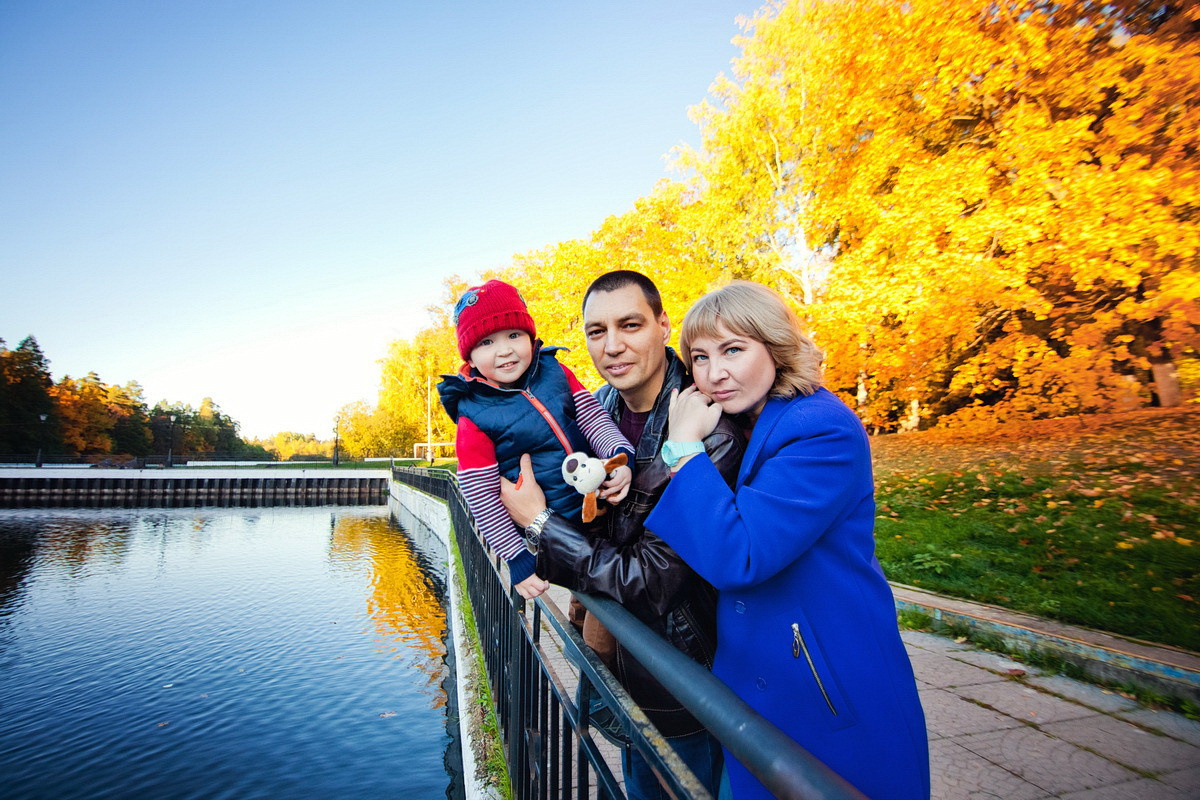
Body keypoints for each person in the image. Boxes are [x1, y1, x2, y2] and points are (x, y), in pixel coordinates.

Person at [644, 280, 930, 799]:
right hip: (763, 686)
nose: (715, 372)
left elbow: (741, 554)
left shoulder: (820, 429)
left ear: (775, 347)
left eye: (734, 349)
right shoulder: (749, 422)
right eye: (701, 357)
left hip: (825, 688)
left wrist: (681, 447)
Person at [500, 270, 745, 800]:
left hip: (681, 669)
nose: (612, 346)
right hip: (617, 654)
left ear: (662, 325)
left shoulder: (706, 424)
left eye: (629, 325)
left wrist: (539, 524)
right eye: (595, 331)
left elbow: (654, 579)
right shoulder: (594, 413)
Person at [438, 279, 634, 600]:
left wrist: (619, 455)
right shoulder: (473, 414)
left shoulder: (554, 371)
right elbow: (481, 494)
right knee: (596, 614)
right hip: (554, 533)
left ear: (530, 338)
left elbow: (592, 416)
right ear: (470, 358)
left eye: (514, 335)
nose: (504, 350)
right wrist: (516, 557)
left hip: (602, 508)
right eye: (487, 342)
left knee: (608, 602)